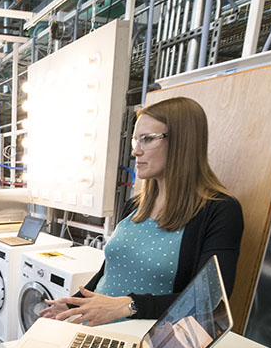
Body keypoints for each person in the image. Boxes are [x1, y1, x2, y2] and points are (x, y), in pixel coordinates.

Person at [41, 96, 244, 326]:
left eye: (147, 139)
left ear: (182, 142)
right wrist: (73, 304)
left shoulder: (220, 211)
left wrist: (129, 306)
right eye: (135, 141)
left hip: (141, 336)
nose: (136, 151)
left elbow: (208, 299)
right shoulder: (135, 205)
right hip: (95, 327)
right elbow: (110, 271)